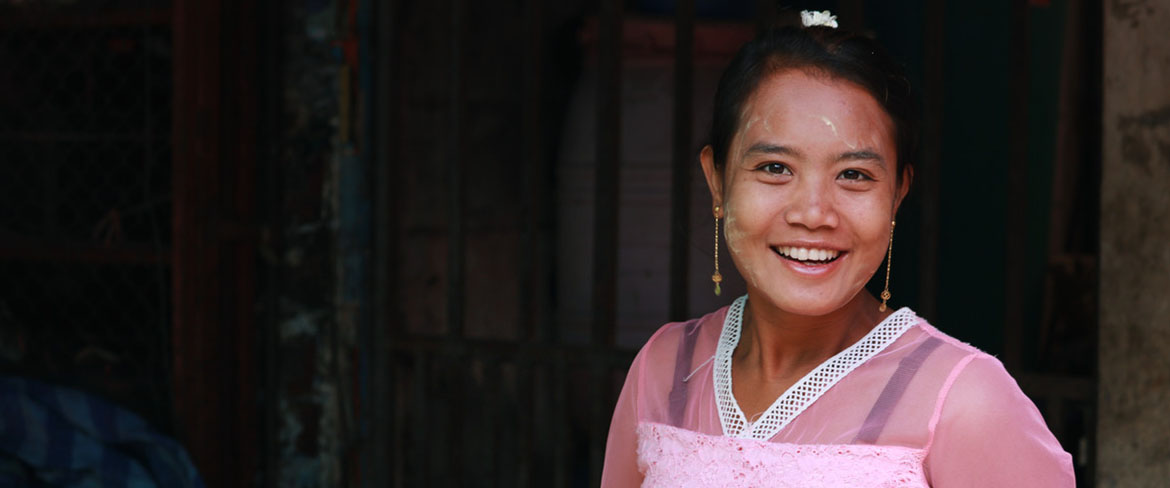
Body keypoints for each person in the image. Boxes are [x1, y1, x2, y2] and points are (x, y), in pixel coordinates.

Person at [600, 11, 1074, 487]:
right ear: (717, 181)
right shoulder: (664, 372)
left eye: (853, 175)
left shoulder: (963, 402)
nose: (813, 213)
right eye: (774, 167)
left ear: (898, 193)